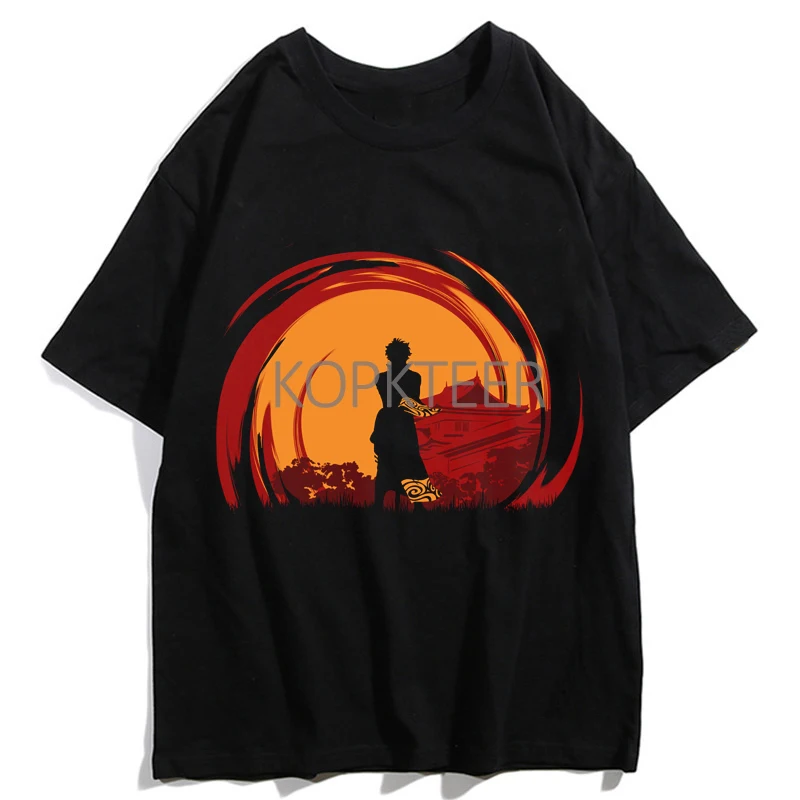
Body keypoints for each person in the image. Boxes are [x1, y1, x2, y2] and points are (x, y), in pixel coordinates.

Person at [370, 338, 442, 508]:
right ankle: (387, 504)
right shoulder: (403, 378)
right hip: (396, 422)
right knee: (393, 462)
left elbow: (411, 401)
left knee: (405, 461)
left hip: (395, 422)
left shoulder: (387, 377)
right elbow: (412, 402)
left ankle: (410, 505)